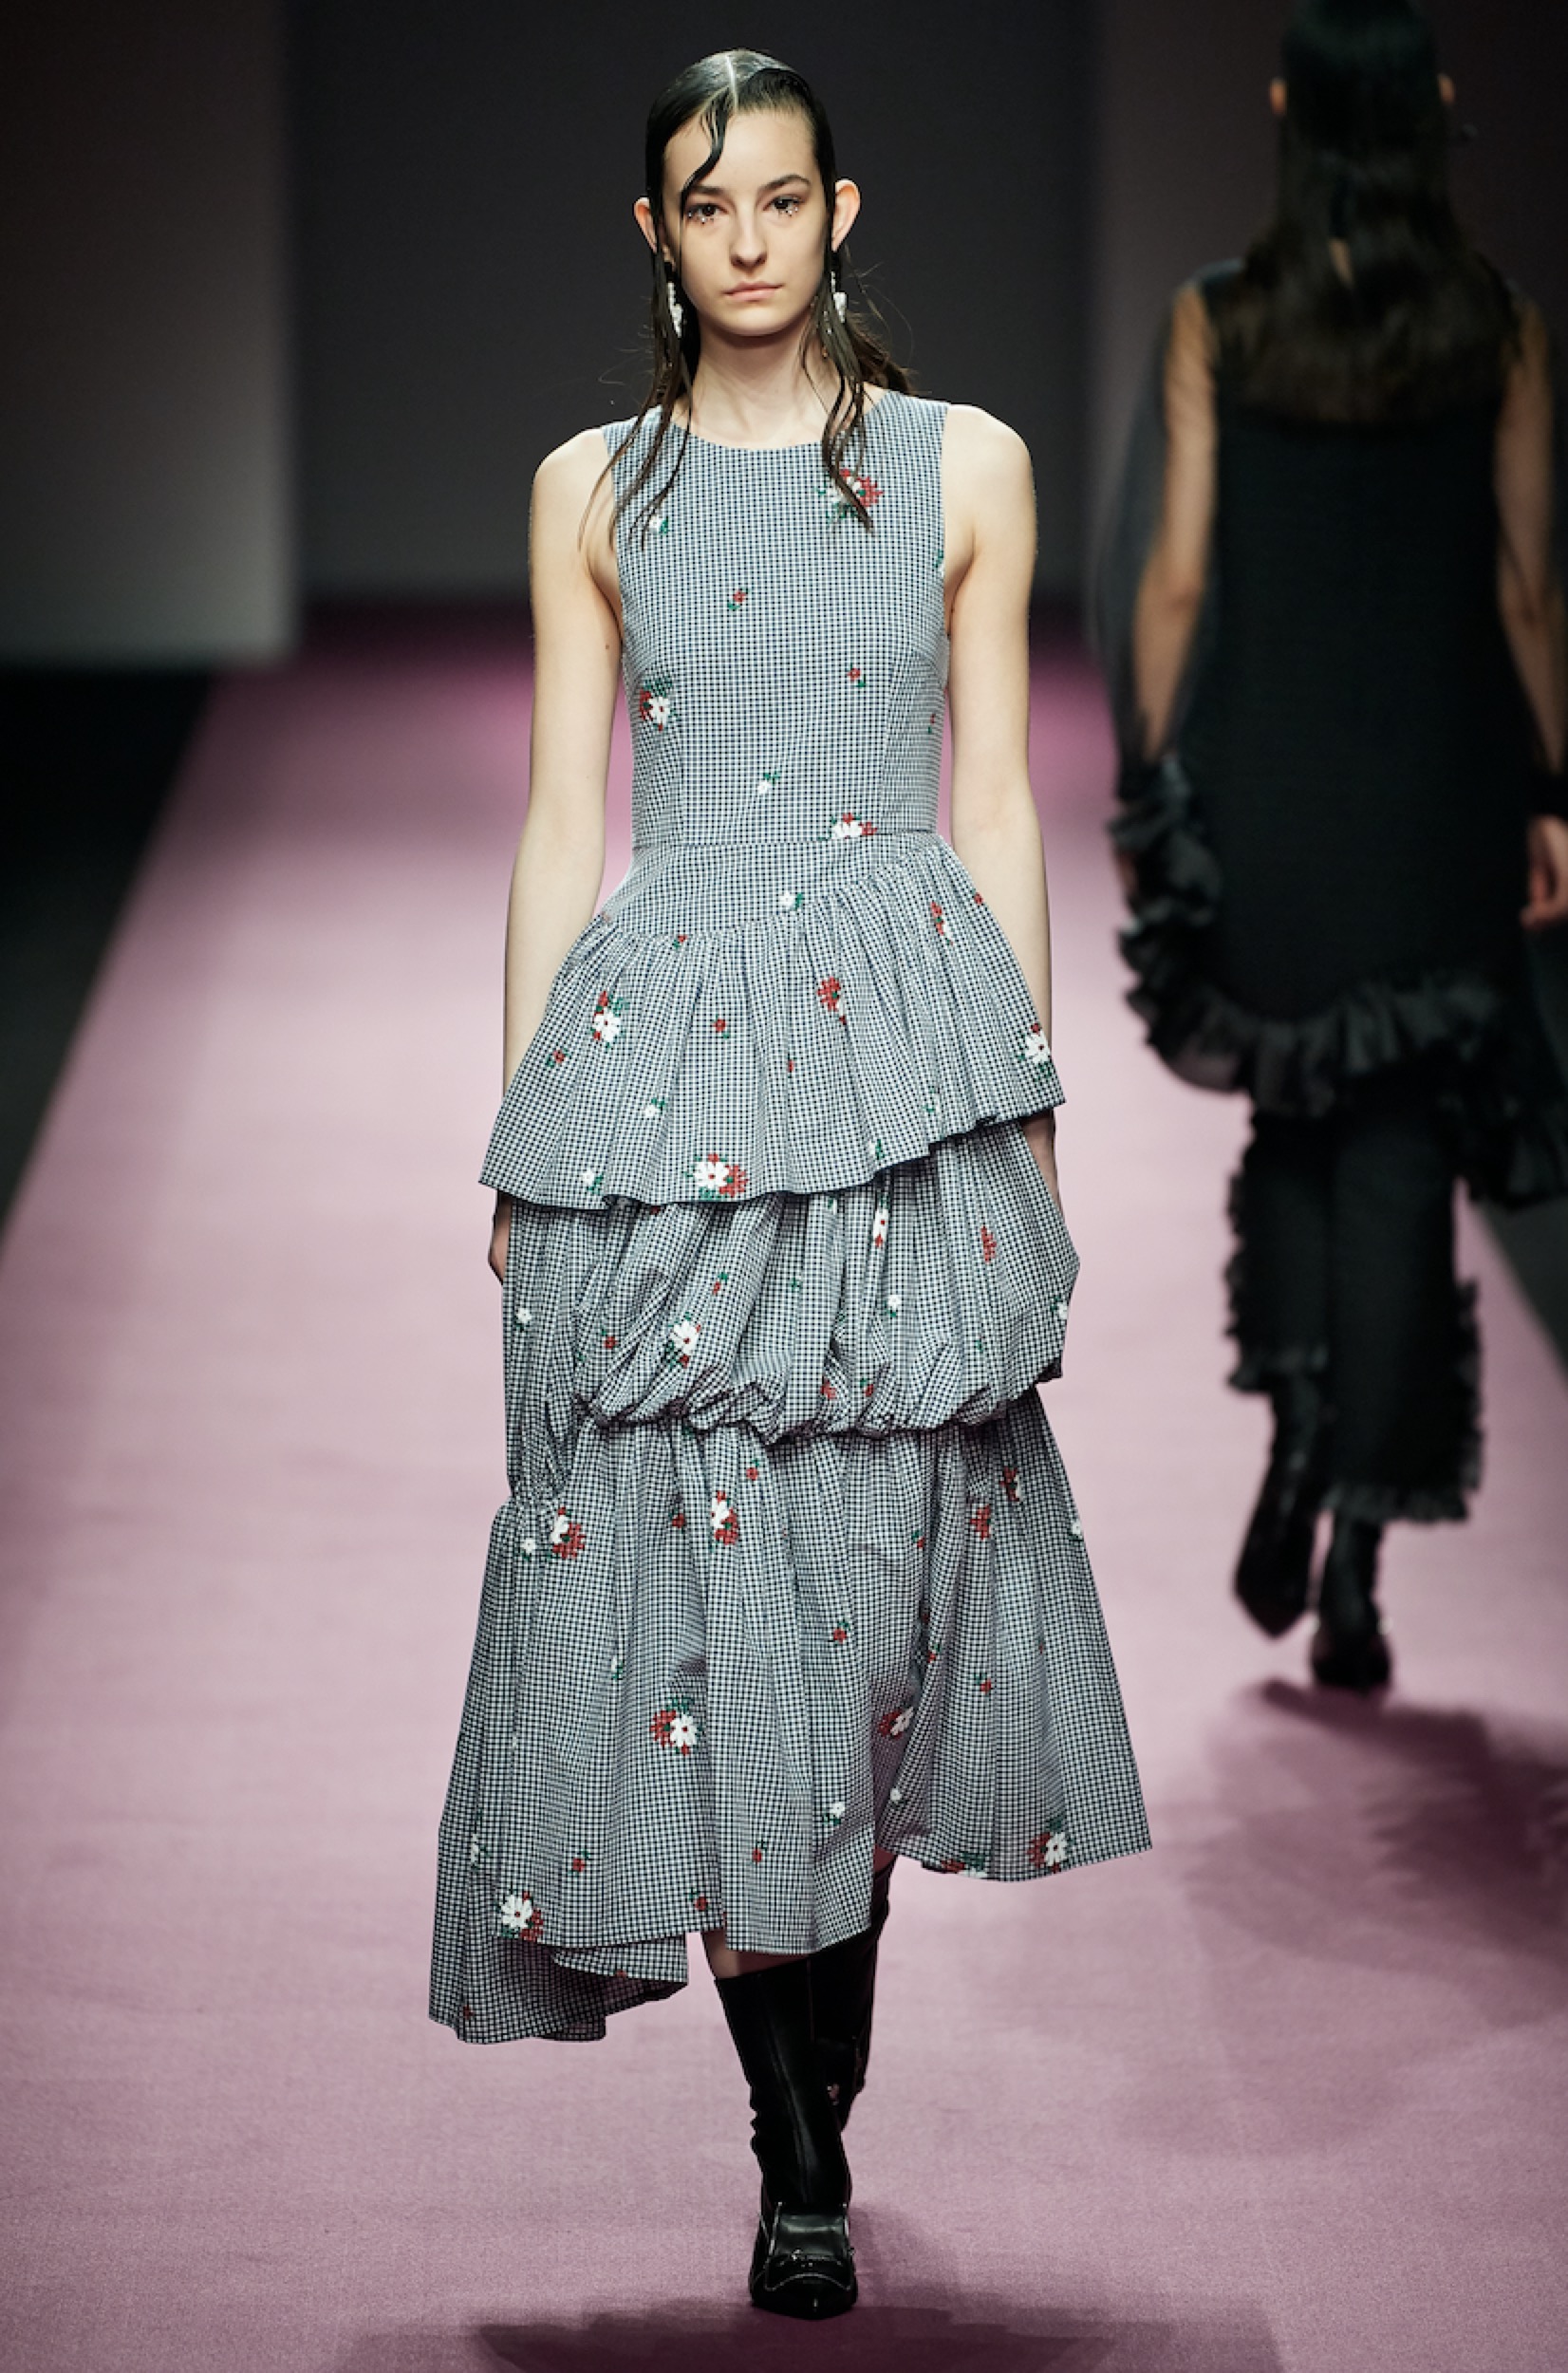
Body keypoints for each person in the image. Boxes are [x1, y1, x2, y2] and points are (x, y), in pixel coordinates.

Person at [430, 47, 1148, 2321]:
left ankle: (818, 2074)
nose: (745, 237)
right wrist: (525, 1127)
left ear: (841, 213)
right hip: (659, 1089)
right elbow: (560, 821)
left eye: (779, 196)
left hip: (896, 1068)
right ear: (655, 232)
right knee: (708, 1599)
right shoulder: (590, 489)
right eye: (703, 202)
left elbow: (1000, 797)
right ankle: (797, 2136)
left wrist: (1025, 1099)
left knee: (873, 1609)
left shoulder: (962, 466)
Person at [1097, 0, 1568, 1693]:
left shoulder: (1217, 321)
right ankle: (1358, 1555)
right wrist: (1552, 790)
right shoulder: (1497, 329)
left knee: (1294, 1115)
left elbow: (1172, 580)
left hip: (1268, 786)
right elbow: (1524, 590)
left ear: (1286, 107)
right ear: (1435, 107)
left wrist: (1153, 785)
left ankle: (1297, 1434)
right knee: (1402, 1149)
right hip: (1437, 791)